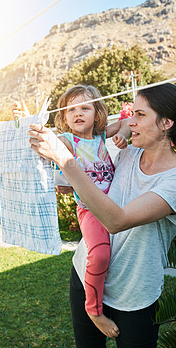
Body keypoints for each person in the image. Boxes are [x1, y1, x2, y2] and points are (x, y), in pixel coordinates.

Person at [28, 82, 176, 348]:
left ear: (166, 123)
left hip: (134, 296)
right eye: (132, 112)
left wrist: (64, 160)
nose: (130, 121)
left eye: (140, 115)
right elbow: (94, 172)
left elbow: (117, 220)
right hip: (85, 276)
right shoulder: (128, 151)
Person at [53, 85, 130, 338]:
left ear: (96, 113)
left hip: (112, 206)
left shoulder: (101, 137)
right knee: (98, 256)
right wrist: (23, 117)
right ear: (63, 117)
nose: (77, 113)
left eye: (85, 108)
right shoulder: (67, 141)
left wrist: (125, 135)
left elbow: (126, 122)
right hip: (89, 211)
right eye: (70, 109)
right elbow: (46, 141)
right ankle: (94, 310)